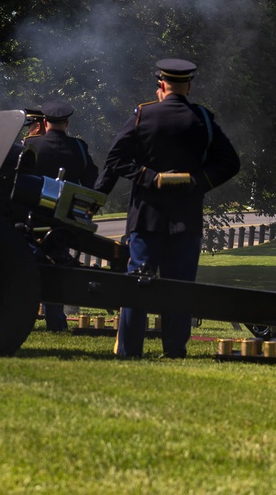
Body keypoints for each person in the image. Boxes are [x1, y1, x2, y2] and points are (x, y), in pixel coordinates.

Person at [95, 59, 240, 358]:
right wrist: (197, 180)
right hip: (186, 219)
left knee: (138, 284)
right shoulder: (202, 118)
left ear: (161, 85)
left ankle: (129, 350)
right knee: (180, 286)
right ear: (188, 86)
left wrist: (151, 178)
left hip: (146, 217)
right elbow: (230, 163)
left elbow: (115, 160)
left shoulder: (142, 115)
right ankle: (174, 349)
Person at [25, 100, 99, 331]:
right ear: (66, 123)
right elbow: (90, 181)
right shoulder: (79, 147)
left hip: (32, 213)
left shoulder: (30, 144)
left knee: (28, 264)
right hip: (63, 216)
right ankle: (56, 321)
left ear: (44, 122)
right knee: (57, 264)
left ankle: (25, 316)